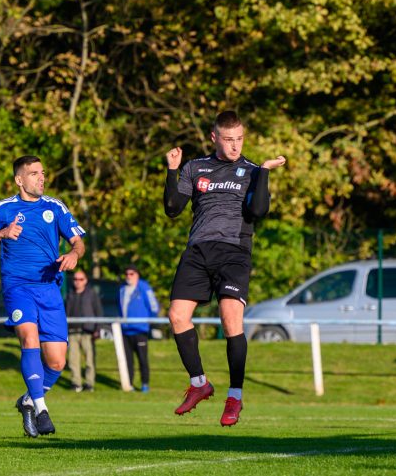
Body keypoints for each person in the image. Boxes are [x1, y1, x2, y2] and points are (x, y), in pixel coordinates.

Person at [163, 110, 286, 427]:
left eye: (240, 139)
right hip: (198, 250)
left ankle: (234, 396)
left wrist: (265, 173)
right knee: (177, 316)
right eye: (229, 139)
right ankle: (199, 383)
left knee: (231, 320)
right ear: (214, 137)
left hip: (234, 252)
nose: (235, 145)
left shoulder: (251, 170)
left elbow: (258, 211)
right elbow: (173, 209)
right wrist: (172, 171)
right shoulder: (195, 167)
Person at [0, 155, 85, 438]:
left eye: (42, 173)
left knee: (57, 362)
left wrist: (73, 254)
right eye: (34, 174)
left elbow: (78, 242)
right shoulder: (4, 209)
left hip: (49, 288)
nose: (41, 178)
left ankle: (28, 400)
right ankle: (42, 410)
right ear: (19, 180)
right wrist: (1, 234)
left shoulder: (54, 207)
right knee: (29, 339)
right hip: (18, 287)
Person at [118, 264, 159, 393]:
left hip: (140, 330)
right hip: (125, 331)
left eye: (132, 274)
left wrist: (150, 323)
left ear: (137, 275)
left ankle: (144, 384)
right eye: (127, 274)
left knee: (142, 359)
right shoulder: (122, 289)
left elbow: (154, 307)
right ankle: (128, 384)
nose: (129, 276)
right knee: (127, 361)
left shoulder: (144, 287)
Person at [65, 270, 103, 392]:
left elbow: (99, 312)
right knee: (73, 360)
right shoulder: (70, 294)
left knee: (89, 360)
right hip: (72, 332)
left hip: (88, 332)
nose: (78, 282)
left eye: (81, 279)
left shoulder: (92, 294)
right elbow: (66, 313)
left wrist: (97, 329)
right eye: (75, 279)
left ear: (86, 280)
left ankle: (89, 384)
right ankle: (76, 383)